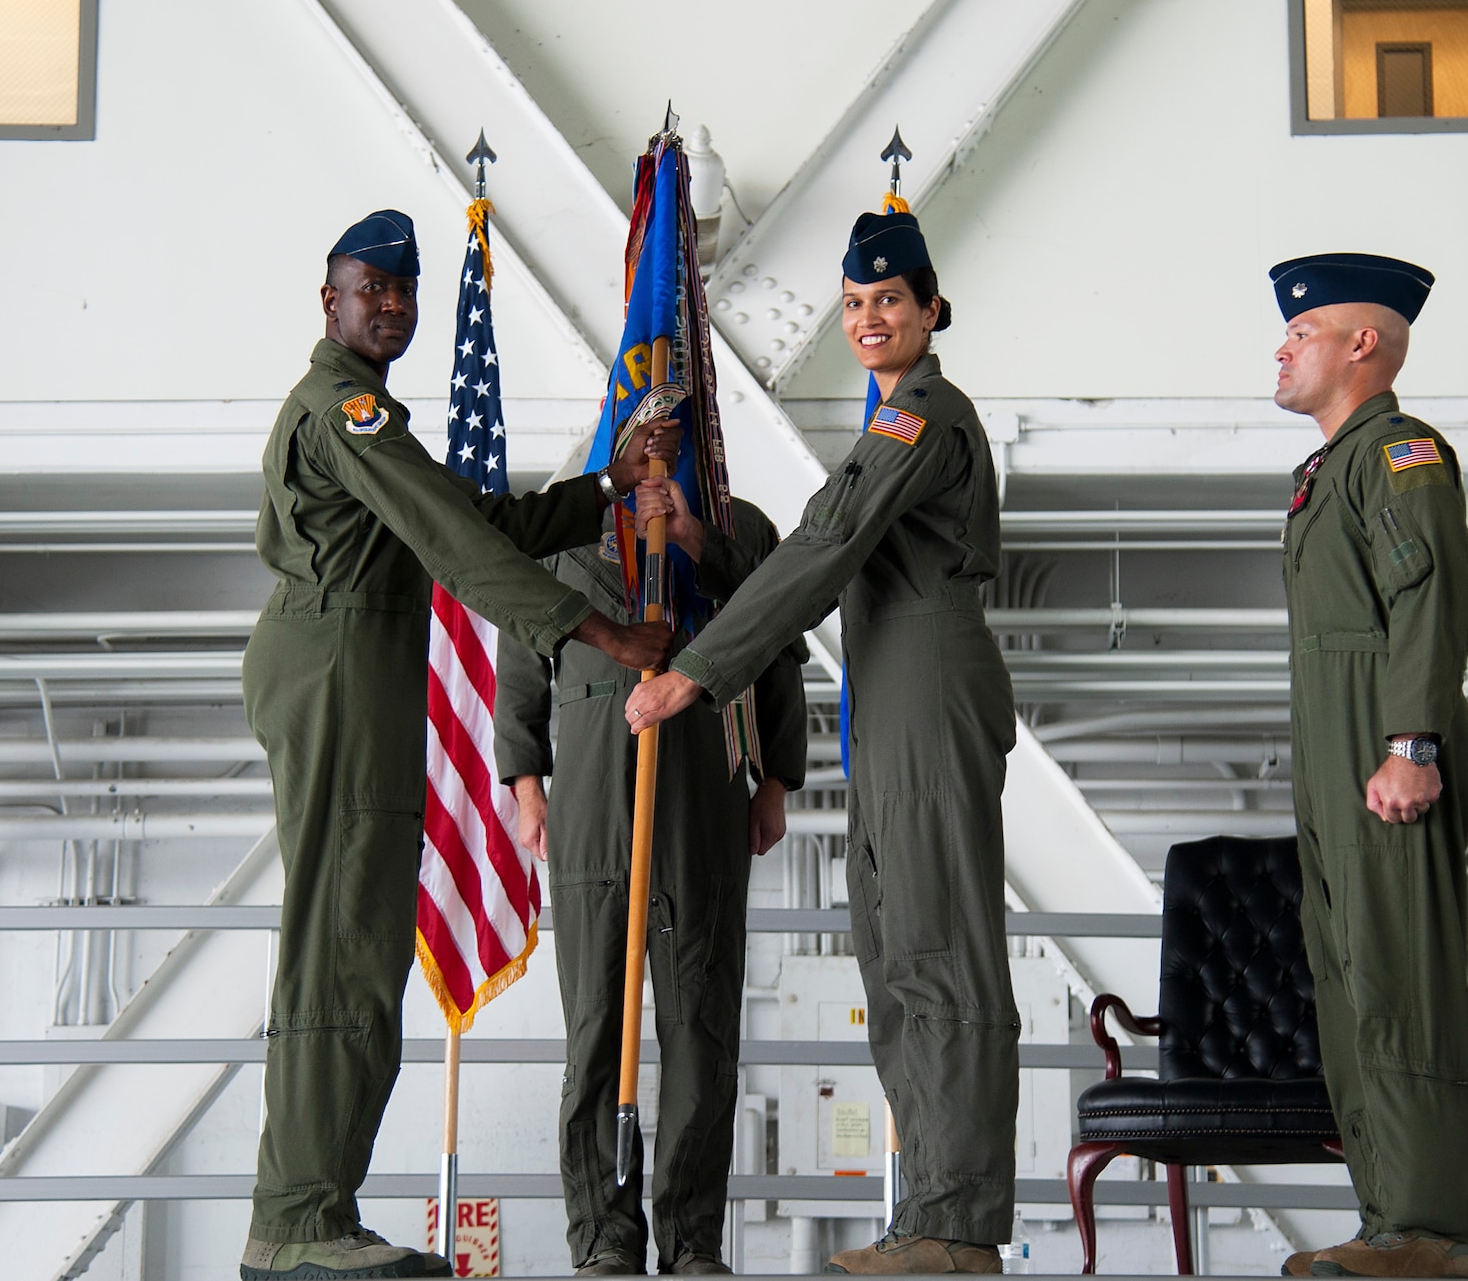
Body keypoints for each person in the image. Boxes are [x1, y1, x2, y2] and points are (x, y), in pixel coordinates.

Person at [240, 209, 681, 1281]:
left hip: (362, 671)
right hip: (339, 671)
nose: (389, 305)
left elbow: (468, 517)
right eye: (369, 288)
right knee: (339, 944)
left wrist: (607, 488)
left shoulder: (372, 415)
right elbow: (454, 545)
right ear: (329, 298)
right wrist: (606, 632)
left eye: (404, 291)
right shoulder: (340, 411)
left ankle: (317, 1209)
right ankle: (298, 1219)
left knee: (362, 941)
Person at [624, 211, 1017, 1276]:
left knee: (939, 949)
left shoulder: (922, 415)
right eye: (851, 304)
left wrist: (699, 674)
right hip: (892, 682)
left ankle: (957, 1220)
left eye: (887, 300)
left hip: (929, 679)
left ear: (930, 309)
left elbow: (827, 545)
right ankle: (933, 1207)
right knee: (893, 951)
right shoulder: (889, 422)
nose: (868, 319)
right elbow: (822, 542)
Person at [494, 489, 808, 1277]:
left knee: (701, 1028)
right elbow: (522, 656)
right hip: (595, 794)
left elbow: (779, 646)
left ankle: (693, 1238)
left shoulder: (740, 531)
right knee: (596, 1026)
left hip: (703, 781)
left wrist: (775, 779)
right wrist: (528, 782)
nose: (660, 431)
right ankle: (604, 1235)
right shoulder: (565, 529)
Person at [1267, 253, 1468, 1280]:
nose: (1280, 345)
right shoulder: (1331, 466)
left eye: (1301, 330)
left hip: (1383, 745)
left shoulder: (1398, 452)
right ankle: (1387, 1217)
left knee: (1401, 979)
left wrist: (1410, 743)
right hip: (1333, 751)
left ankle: (1433, 1230)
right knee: (1349, 983)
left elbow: (1427, 605)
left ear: (1363, 343)